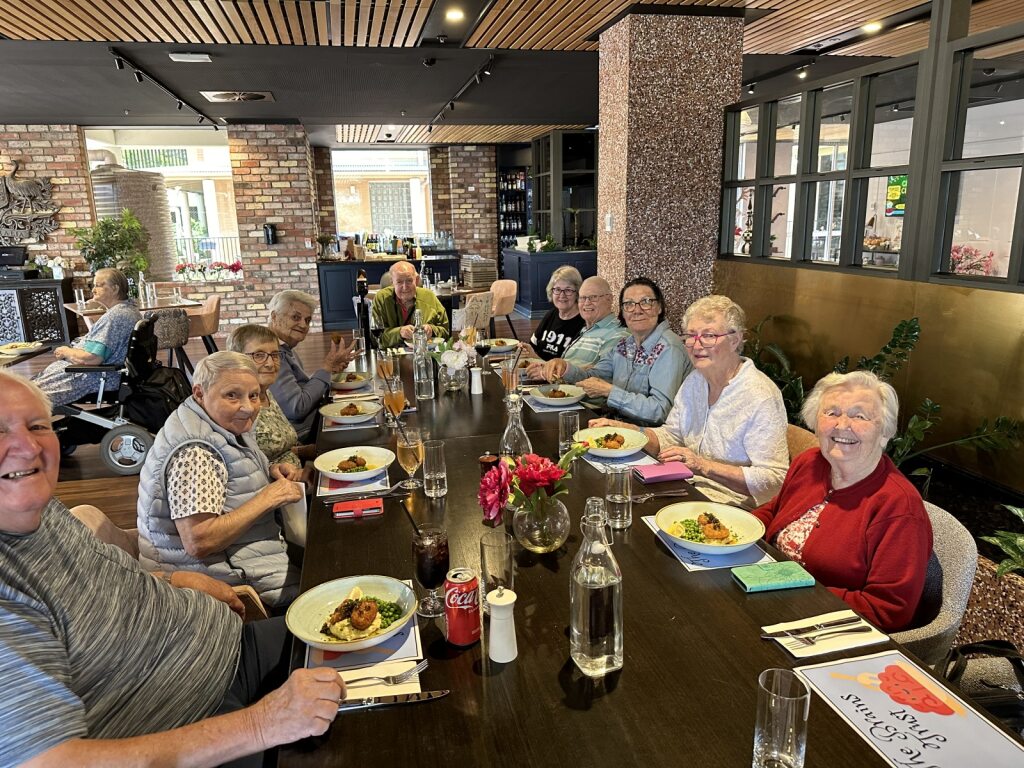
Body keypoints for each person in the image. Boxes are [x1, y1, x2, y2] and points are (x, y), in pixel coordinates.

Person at [0, 371, 343, 768]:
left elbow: (102, 584)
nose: (26, 446)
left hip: (231, 649)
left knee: (382, 644)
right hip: (191, 723)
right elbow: (50, 761)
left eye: (37, 425)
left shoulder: (41, 510)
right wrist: (264, 723)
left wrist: (175, 579)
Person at [751, 370, 933, 632]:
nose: (842, 424)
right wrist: (735, 534)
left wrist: (798, 592)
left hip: (829, 627)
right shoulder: (810, 463)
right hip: (769, 596)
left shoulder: (898, 507)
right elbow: (777, 510)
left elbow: (889, 610)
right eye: (832, 413)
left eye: (859, 416)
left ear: (885, 432)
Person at [137, 351, 305, 608]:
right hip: (222, 585)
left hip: (251, 558)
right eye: (232, 395)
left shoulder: (218, 422)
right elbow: (199, 541)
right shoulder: (195, 453)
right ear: (200, 393)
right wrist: (268, 497)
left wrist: (267, 470)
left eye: (254, 395)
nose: (248, 407)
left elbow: (227, 477)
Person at [592, 295, 788, 509]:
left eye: (709, 336)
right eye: (691, 336)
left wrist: (703, 466)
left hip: (731, 506)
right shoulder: (695, 380)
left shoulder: (760, 395)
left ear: (735, 340)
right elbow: (671, 436)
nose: (697, 345)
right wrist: (626, 430)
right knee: (608, 497)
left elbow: (775, 481)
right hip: (683, 489)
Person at [548, 277, 689, 426]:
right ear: (622, 310)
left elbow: (660, 411)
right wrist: (565, 368)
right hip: (616, 426)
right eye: (629, 304)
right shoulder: (625, 344)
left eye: (646, 302)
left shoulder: (669, 348)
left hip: (648, 438)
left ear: (659, 307)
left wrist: (610, 392)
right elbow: (595, 376)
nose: (637, 310)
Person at [33, 268, 141, 406]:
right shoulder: (129, 310)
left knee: (27, 396)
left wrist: (67, 351)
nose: (94, 289)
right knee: (26, 389)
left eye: (98, 285)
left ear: (114, 289)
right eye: (93, 285)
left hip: (94, 376)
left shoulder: (115, 317)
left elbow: (92, 358)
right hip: (105, 374)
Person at [227, 323, 315, 482]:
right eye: (259, 355)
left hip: (299, 482)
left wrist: (309, 451)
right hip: (279, 493)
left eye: (275, 355)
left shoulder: (266, 393)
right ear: (237, 359)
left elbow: (279, 449)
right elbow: (243, 474)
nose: (270, 363)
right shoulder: (238, 408)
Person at [267, 289, 354, 441]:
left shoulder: (284, 347)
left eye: (307, 320)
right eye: (295, 317)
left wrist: (329, 371)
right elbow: (297, 408)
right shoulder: (272, 354)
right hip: (302, 433)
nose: (303, 325)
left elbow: (300, 388)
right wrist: (326, 368)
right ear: (274, 317)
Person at [530, 275, 627, 382]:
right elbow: (569, 366)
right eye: (582, 298)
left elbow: (602, 377)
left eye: (593, 297)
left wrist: (555, 372)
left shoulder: (618, 334)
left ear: (609, 299)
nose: (586, 303)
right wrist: (543, 366)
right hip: (561, 391)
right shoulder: (586, 330)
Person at [370, 260, 450, 349]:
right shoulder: (381, 299)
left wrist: (432, 330)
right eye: (399, 282)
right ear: (392, 282)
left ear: (416, 280)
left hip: (424, 353)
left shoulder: (429, 297)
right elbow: (375, 339)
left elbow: (446, 333)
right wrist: (399, 332)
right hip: (391, 357)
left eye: (409, 281)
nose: (405, 287)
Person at [524, 266, 585, 361]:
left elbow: (570, 369)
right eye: (557, 289)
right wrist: (525, 350)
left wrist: (535, 358)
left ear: (577, 293)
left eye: (568, 290)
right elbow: (533, 346)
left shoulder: (584, 323)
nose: (562, 295)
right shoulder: (551, 314)